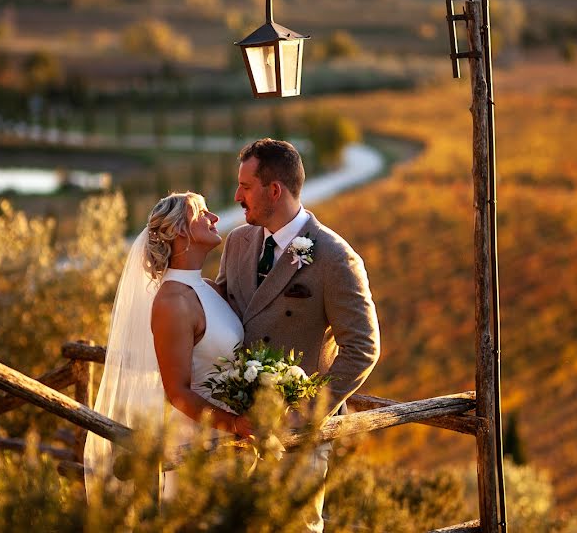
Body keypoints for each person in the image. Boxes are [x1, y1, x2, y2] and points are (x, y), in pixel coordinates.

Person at [217, 138, 381, 532]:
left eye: (246, 186)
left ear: (274, 189)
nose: (237, 196)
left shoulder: (334, 256)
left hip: (297, 438)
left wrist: (303, 414)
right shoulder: (238, 242)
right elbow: (221, 312)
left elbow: (363, 347)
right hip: (236, 426)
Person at [84, 192, 253, 501]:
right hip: (199, 442)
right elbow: (177, 392)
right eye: (201, 213)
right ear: (180, 232)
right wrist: (235, 425)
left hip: (234, 439)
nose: (214, 218)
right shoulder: (172, 301)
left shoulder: (211, 289)